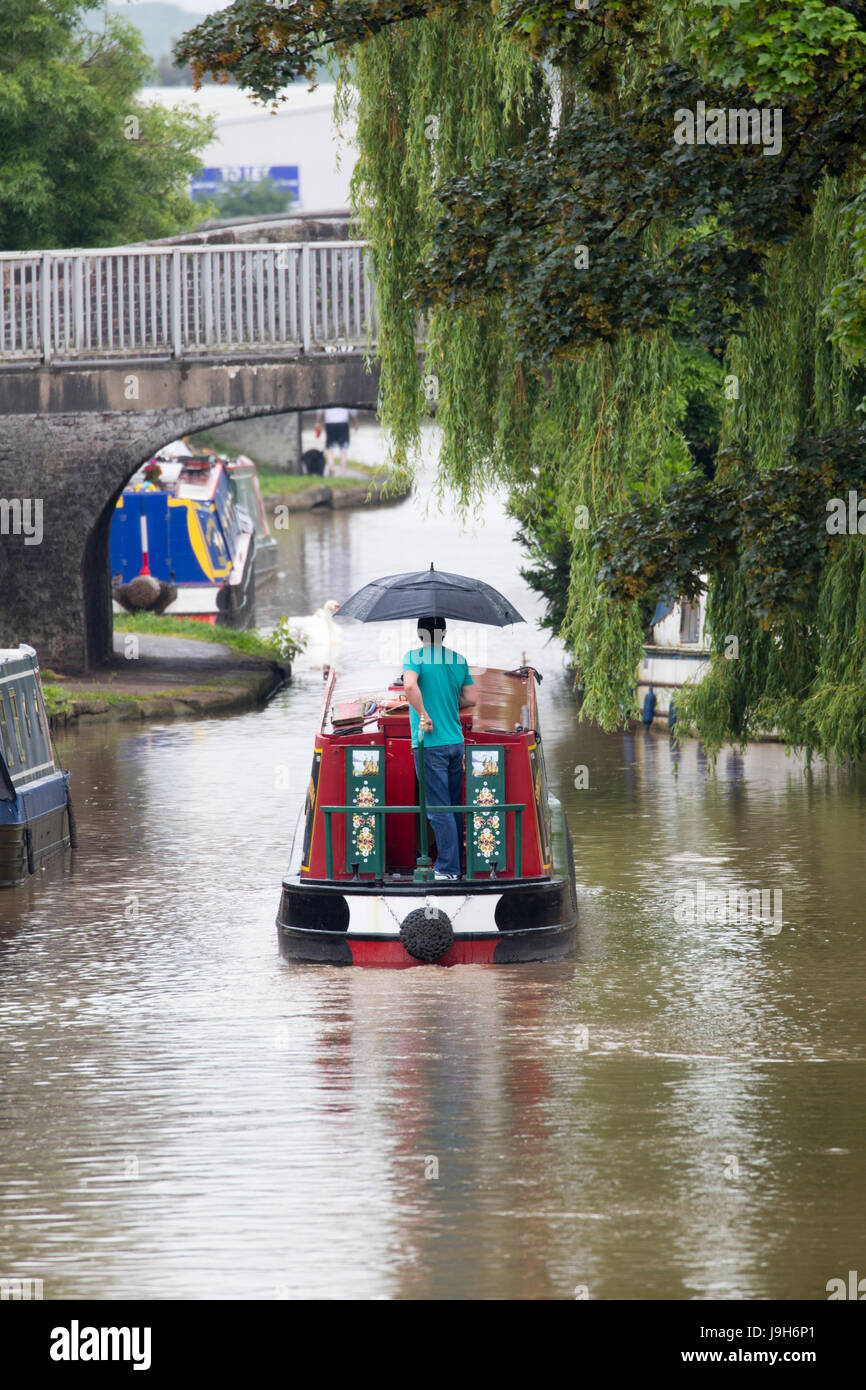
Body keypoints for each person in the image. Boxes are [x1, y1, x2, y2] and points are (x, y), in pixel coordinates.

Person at [403, 616, 477, 880]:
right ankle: (458, 865)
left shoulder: (414, 657)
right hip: (456, 743)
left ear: (419, 633)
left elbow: (409, 685)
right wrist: (445, 702)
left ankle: (447, 869)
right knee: (454, 805)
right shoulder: (459, 659)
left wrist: (424, 713)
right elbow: (471, 698)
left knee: (438, 809)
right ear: (444, 633)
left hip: (430, 745)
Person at [315, 406, 357, 477]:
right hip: (343, 423)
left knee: (330, 448)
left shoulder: (326, 397)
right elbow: (353, 411)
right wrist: (355, 422)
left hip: (330, 423)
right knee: (343, 449)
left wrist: (317, 422)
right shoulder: (346, 396)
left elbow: (319, 410)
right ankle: (343, 472)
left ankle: (331, 468)